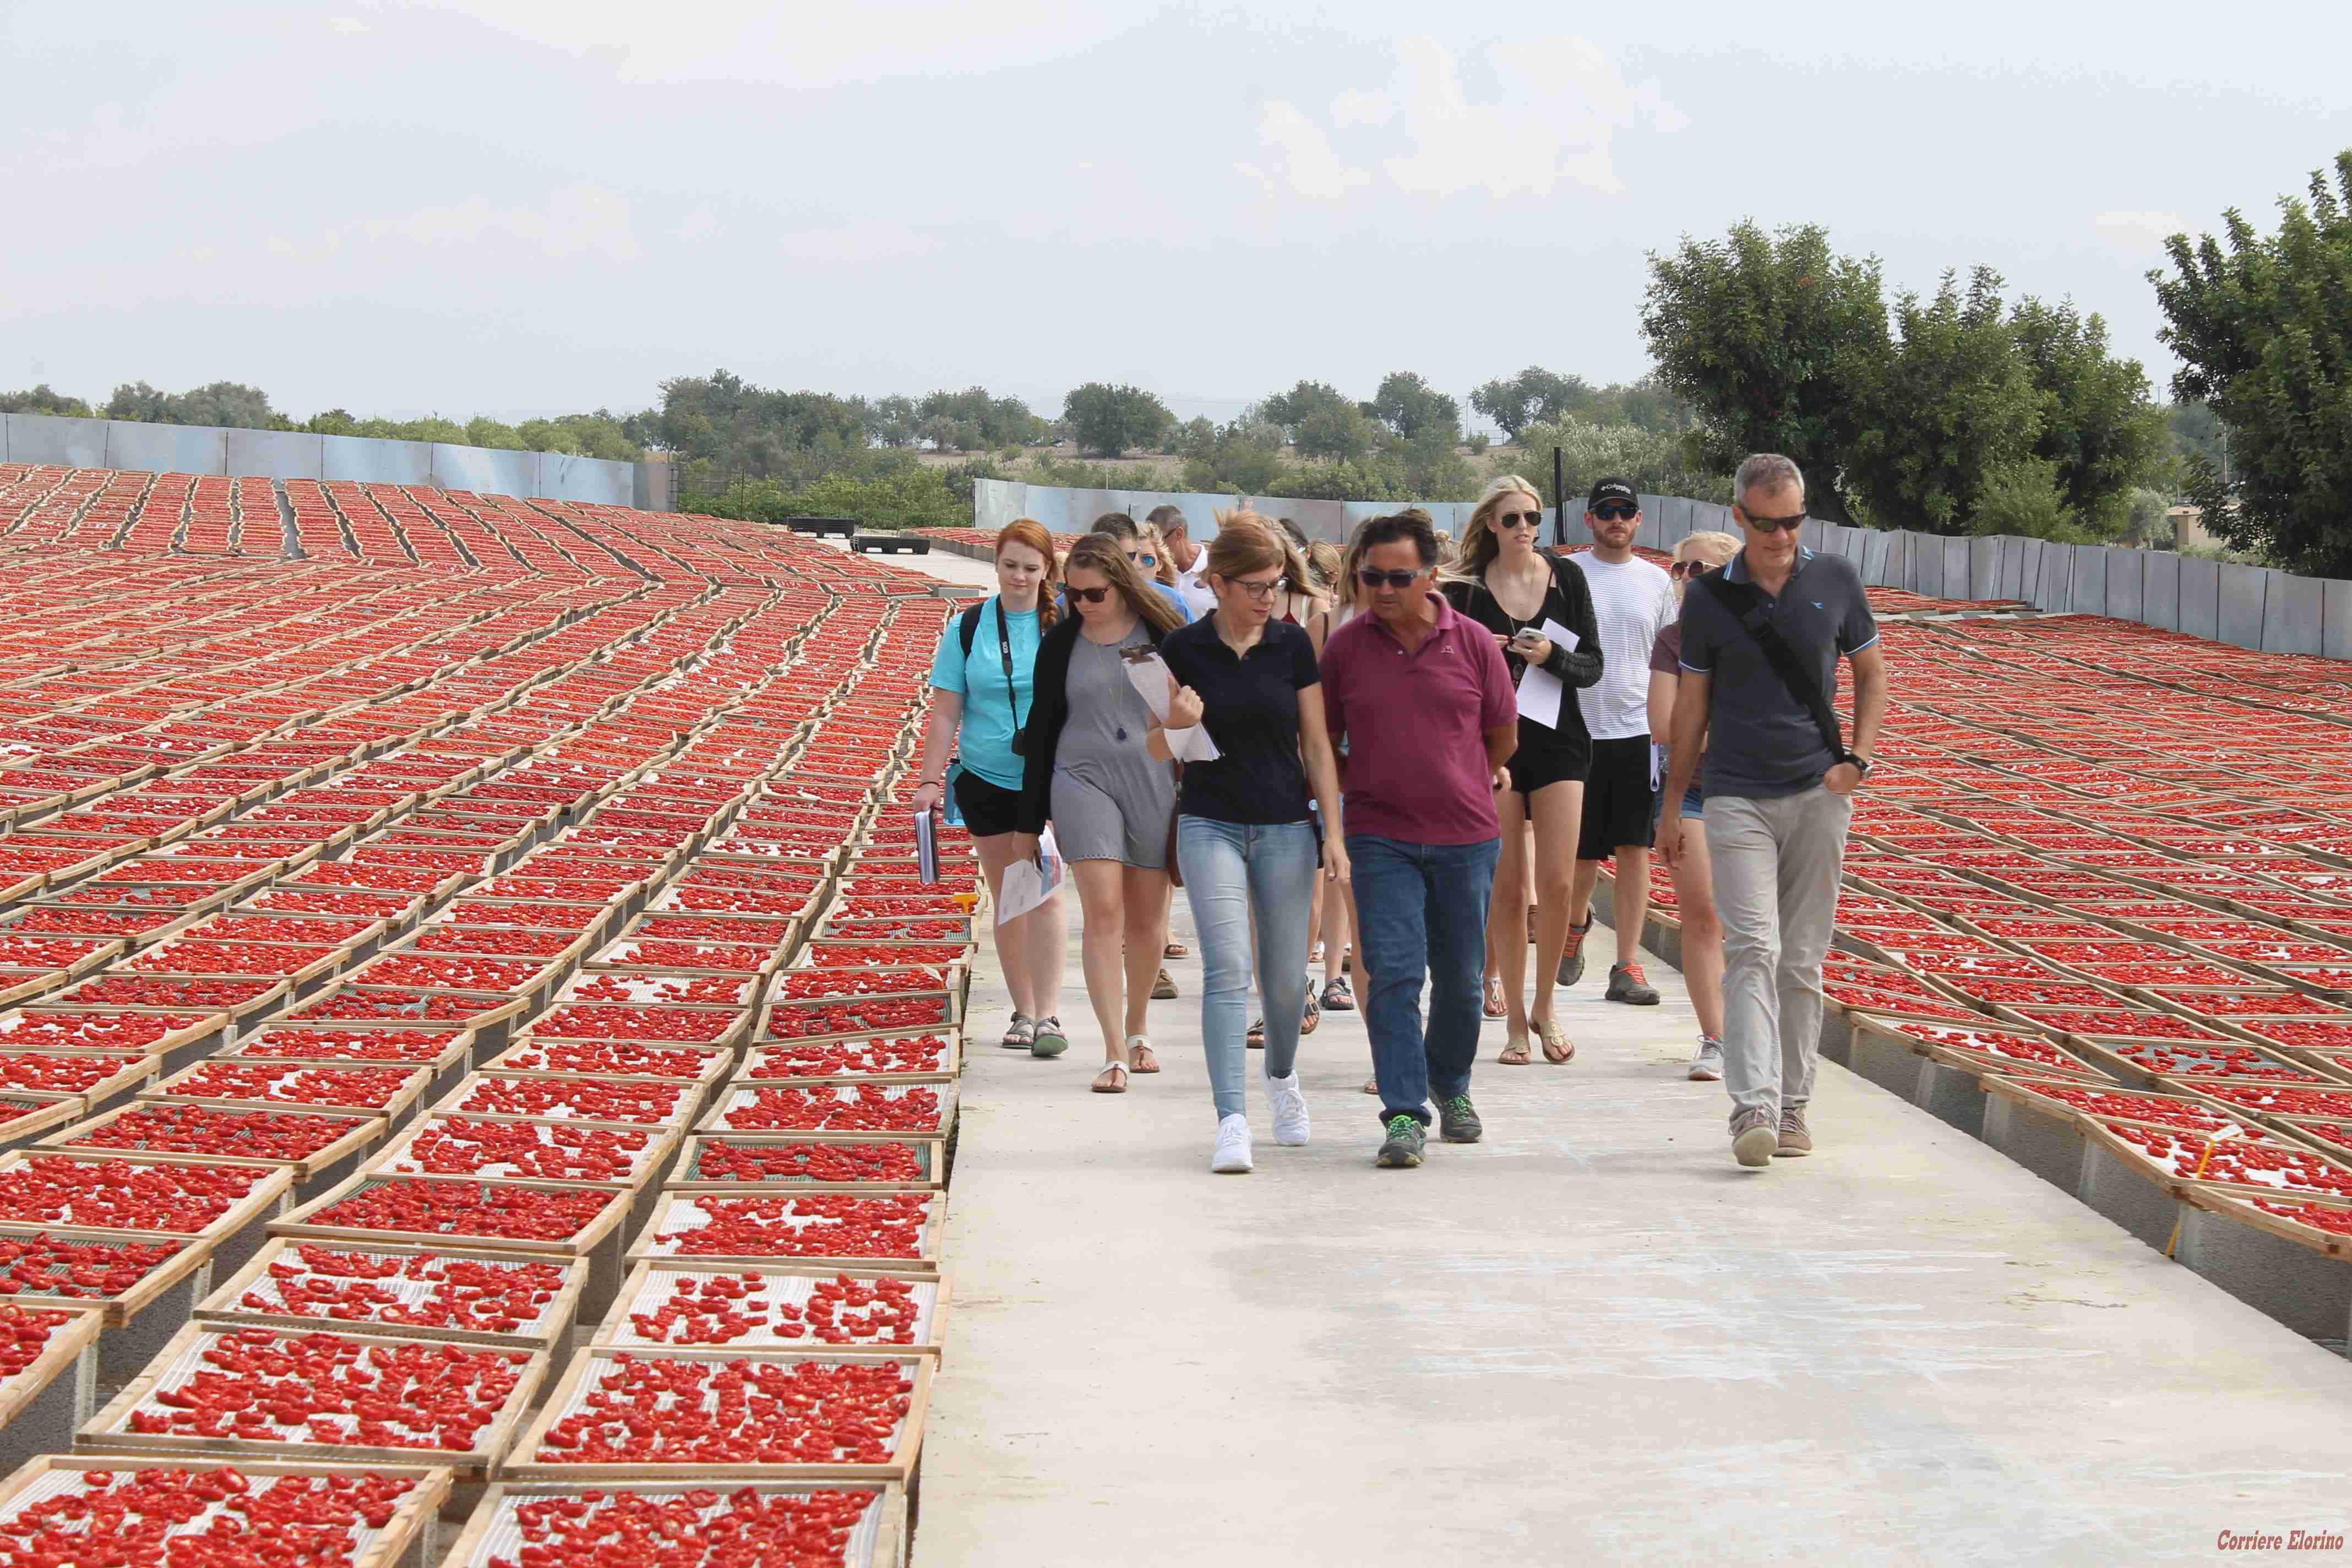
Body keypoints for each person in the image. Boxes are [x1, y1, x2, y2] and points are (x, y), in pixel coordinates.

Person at [1658, 455, 1887, 1168]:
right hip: (1734, 794)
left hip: (1818, 793)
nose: (1781, 535)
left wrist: (1860, 758)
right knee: (1752, 945)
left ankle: (1793, 1105)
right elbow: (1690, 707)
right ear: (1740, 518)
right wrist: (1671, 806)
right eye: (1766, 524)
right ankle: (1752, 1102)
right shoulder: (1708, 602)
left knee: (1803, 957)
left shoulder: (1835, 580)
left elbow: (1872, 672)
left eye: (1792, 521)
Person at [1321, 509, 1518, 1170]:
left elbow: (1502, 734)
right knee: (1395, 975)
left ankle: (1452, 1087)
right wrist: (1360, 787)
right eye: (1369, 576)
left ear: (1430, 576)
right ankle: (1405, 1110)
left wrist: (1462, 776)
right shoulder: (1346, 649)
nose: (1381, 588)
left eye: (1397, 577)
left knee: (1461, 979)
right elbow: (1322, 739)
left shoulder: (1474, 643)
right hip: (1381, 838)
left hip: (1466, 836)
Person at [1154, 514, 1347, 1174]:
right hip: (1209, 819)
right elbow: (1153, 747)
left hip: (1287, 824)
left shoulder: (1293, 645)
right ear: (1218, 583)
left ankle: (1283, 1079)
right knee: (1227, 968)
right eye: (1257, 585)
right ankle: (1231, 1118)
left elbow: (1317, 745)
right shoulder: (1181, 649)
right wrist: (1177, 724)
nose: (1270, 597)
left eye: (1277, 584)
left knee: (1288, 981)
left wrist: (1334, 831)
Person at [1012, 535, 1186, 1093]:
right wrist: (1030, 816)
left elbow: (1189, 722)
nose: (1082, 603)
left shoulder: (1162, 634)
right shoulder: (1062, 641)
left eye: (1094, 594)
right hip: (1080, 778)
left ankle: (1138, 1028)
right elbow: (1042, 731)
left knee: (1147, 921)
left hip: (1153, 775)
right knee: (1103, 911)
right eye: (1072, 593)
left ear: (1122, 583)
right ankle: (1112, 1047)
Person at [1442, 476, 1603, 1066]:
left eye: (1532, 518)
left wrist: (1550, 655)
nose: (1524, 529)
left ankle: (1545, 1007)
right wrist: (1482, 650)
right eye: (1511, 519)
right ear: (1491, 524)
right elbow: (1443, 667)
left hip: (1561, 740)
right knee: (1507, 889)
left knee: (1558, 883)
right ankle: (1512, 1018)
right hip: (1494, 745)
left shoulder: (1568, 578)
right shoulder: (1465, 590)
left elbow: (1593, 666)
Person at [912, 519, 1070, 1056]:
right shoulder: (970, 626)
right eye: (1010, 566)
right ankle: (1022, 1010)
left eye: (1031, 567)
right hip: (985, 778)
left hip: (1049, 782)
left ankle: (1049, 1014)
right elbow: (944, 710)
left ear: (1047, 569)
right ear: (995, 565)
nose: (1019, 577)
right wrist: (930, 779)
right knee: (1008, 896)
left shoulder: (1064, 624)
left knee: (1044, 892)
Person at [1560, 477, 1678, 1006]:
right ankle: (1574, 924)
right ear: (1589, 520)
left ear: (1638, 520)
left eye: (1625, 510)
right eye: (1606, 511)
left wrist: (1670, 728)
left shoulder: (1656, 583)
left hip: (1637, 731)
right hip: (1577, 729)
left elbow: (1670, 661)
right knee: (1581, 856)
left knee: (1635, 848)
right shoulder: (1567, 575)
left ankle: (1627, 964)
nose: (1616, 519)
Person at [1648, 531, 1742, 1081]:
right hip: (1695, 790)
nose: (1686, 578)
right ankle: (1716, 1037)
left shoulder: (1763, 633)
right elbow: (1663, 725)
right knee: (1702, 912)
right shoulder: (1674, 640)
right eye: (1680, 569)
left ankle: (1754, 1029)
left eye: (1699, 569)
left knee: (1754, 923)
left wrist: (1699, 729)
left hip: (1760, 790)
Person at [1079, 513, 1193, 623]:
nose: (1137, 565)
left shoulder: (1172, 602)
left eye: (1147, 559)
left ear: (1160, 563)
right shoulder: (1072, 601)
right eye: (1119, 557)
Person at [1150, 504, 1218, 619]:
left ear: (1179, 534)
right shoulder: (1155, 571)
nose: (1156, 549)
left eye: (1159, 541)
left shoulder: (1215, 567)